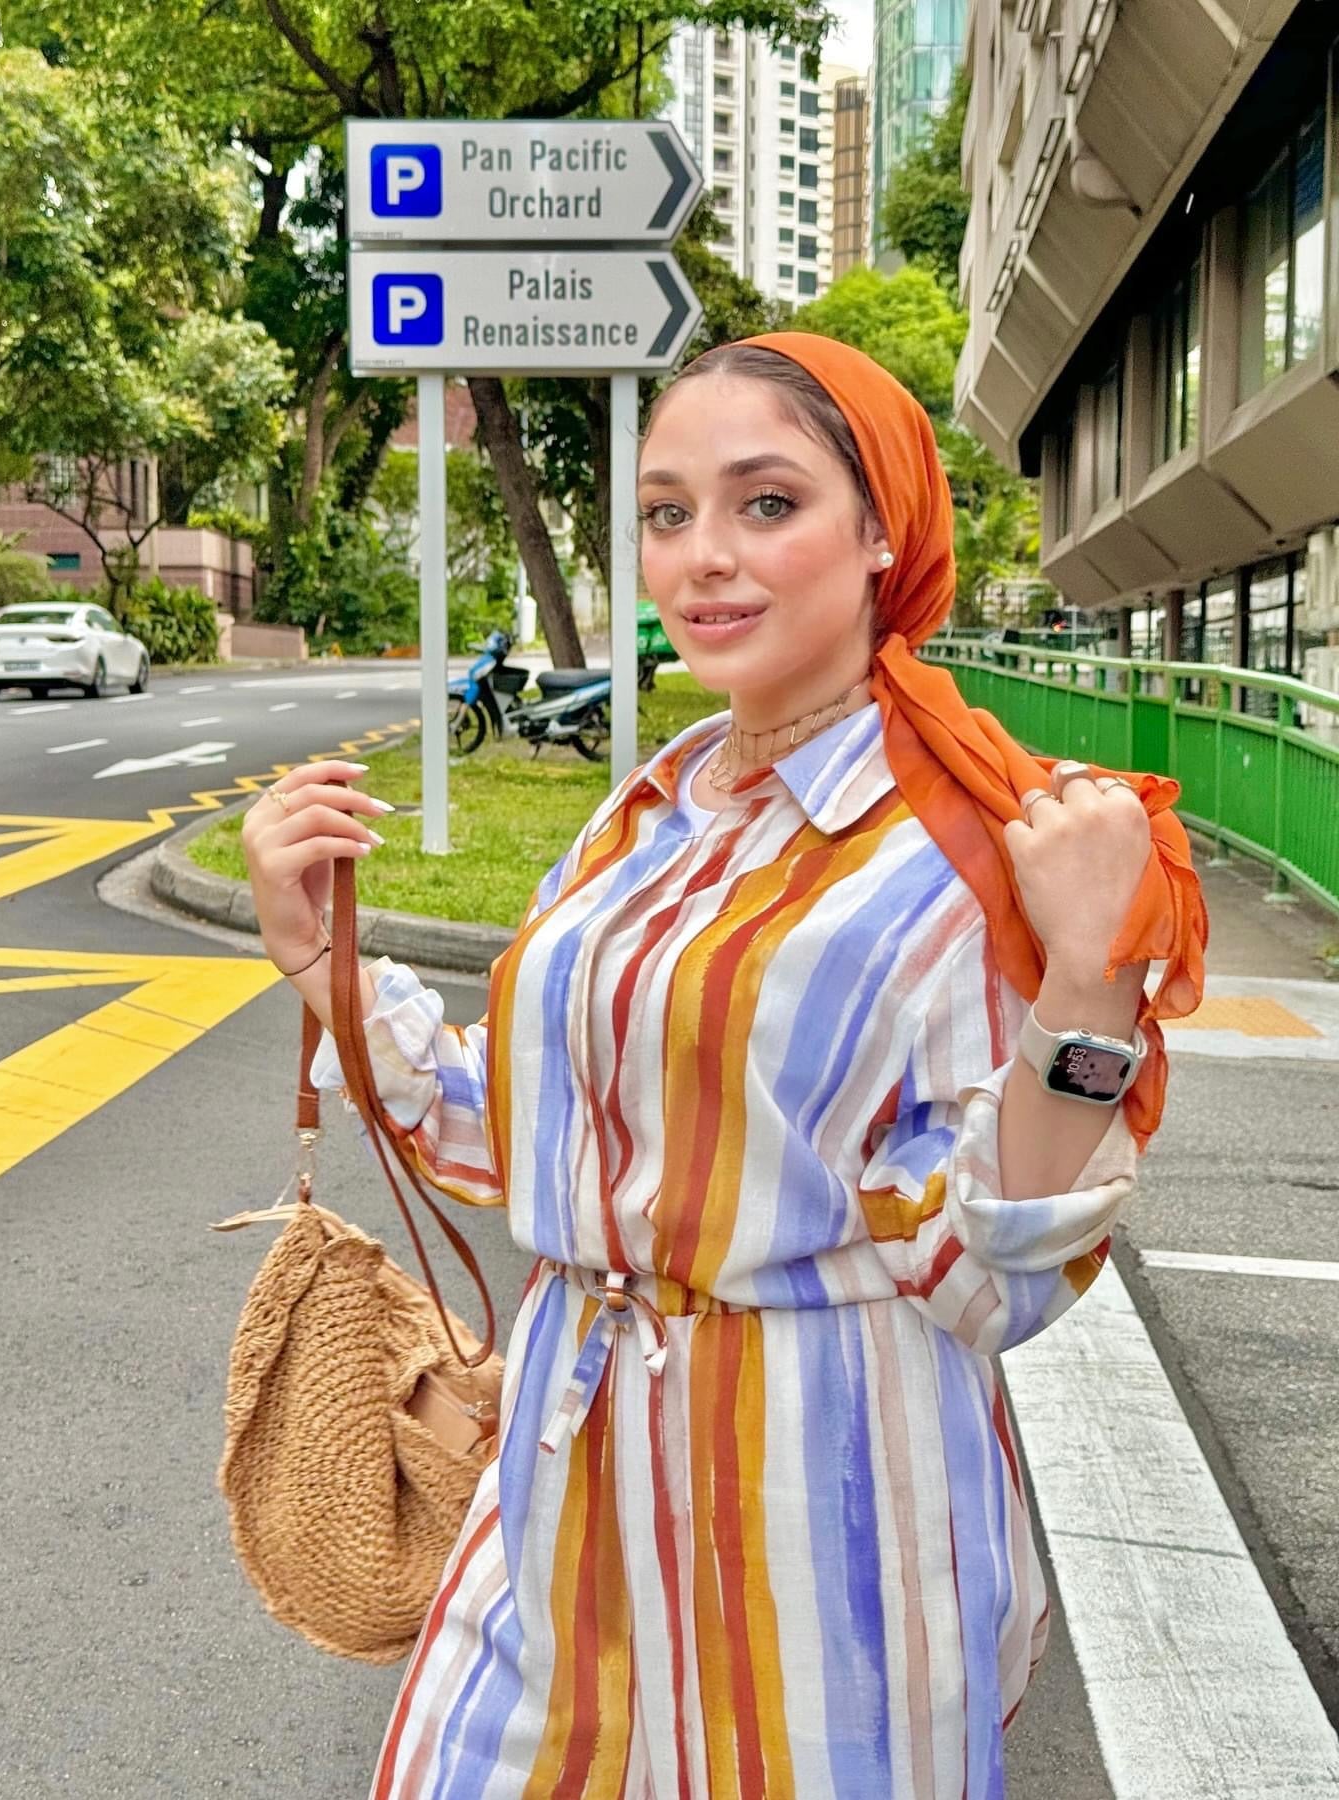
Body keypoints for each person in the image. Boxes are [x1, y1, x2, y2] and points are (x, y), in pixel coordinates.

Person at [240, 333, 1206, 1800]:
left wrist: (1086, 985)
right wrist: (323, 965)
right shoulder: (647, 814)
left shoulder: (973, 852)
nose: (704, 557)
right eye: (667, 511)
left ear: (884, 531)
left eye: (767, 504)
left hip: (827, 1523)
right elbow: (527, 1135)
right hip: (565, 1480)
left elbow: (985, 1279)